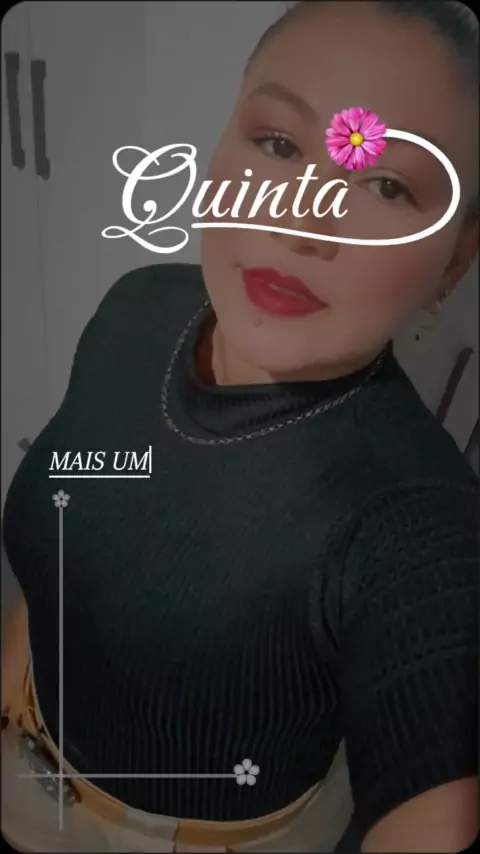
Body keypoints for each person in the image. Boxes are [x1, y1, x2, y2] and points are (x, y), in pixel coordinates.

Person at [2, 1, 478, 851]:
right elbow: (76, 505)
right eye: (280, 144)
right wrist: (22, 676)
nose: (298, 216)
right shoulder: (138, 307)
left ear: (455, 261)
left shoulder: (413, 517)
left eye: (386, 185)